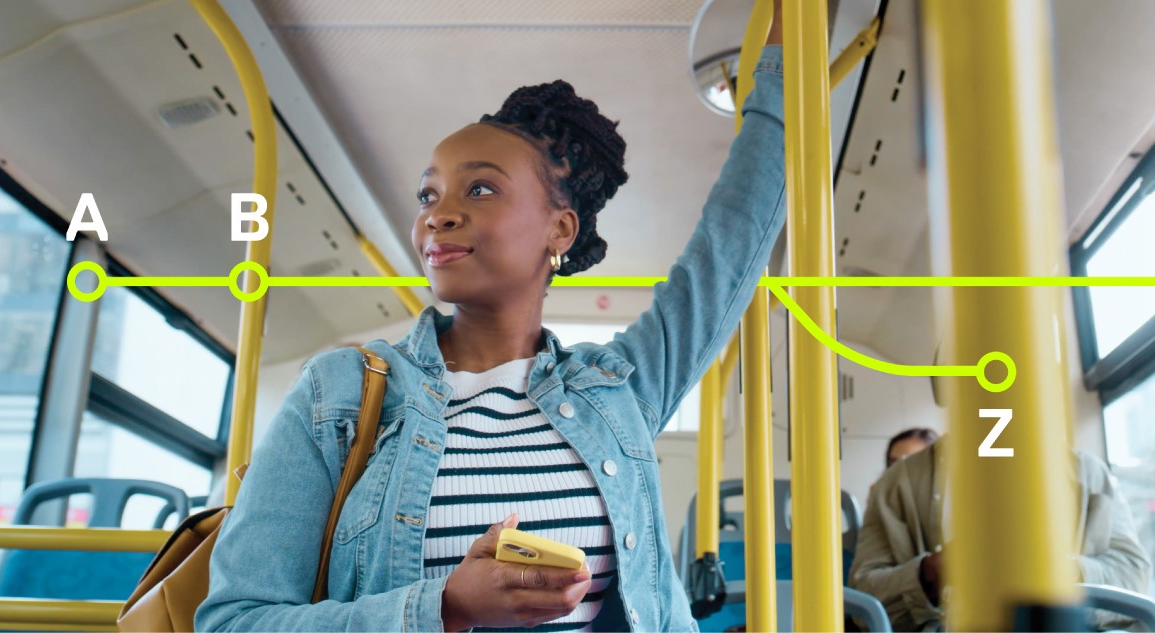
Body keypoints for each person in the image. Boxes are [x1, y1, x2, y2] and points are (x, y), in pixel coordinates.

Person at [196, 6, 787, 632]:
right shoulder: (338, 393)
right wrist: (442, 608)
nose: (437, 215)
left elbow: (734, 237)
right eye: (429, 194)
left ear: (559, 229)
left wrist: (785, 54)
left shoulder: (620, 390)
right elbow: (235, 621)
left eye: (478, 189)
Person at [849, 435, 1152, 632]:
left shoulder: (1087, 472)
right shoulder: (898, 484)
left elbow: (1135, 579)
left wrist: (1060, 568)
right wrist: (928, 574)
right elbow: (863, 605)